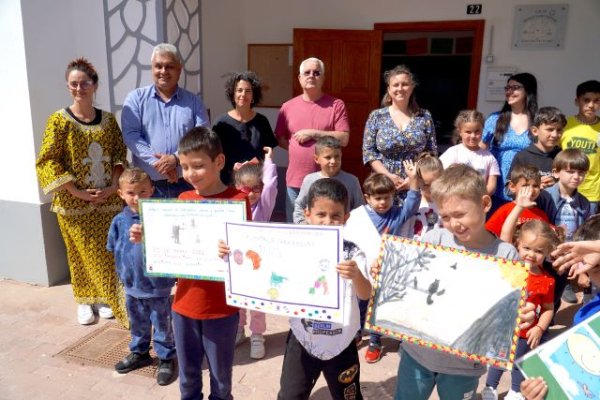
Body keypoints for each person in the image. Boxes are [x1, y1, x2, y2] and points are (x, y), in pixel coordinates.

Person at [131, 127, 251, 400]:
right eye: (184, 167)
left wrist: (234, 250)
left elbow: (249, 255)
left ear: (218, 162)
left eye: (197, 166)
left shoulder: (238, 201)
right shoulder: (184, 199)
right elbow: (172, 246)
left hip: (221, 310)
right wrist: (146, 236)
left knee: (221, 381)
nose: (189, 174)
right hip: (183, 306)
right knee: (188, 378)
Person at [390, 164, 520, 400]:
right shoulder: (434, 238)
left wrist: (519, 313)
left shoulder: (506, 255)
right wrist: (391, 276)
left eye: (460, 214)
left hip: (464, 365)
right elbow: (408, 288)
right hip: (418, 354)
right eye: (446, 217)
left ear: (485, 204)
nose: (453, 223)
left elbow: (506, 316)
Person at [36, 58, 128, 326]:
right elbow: (48, 160)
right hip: (74, 203)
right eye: (74, 84)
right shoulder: (59, 121)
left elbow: (119, 155)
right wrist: (76, 192)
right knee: (79, 251)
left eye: (84, 83)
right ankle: (84, 300)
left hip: (107, 200)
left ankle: (103, 297)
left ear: (95, 85)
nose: (79, 88)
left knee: (105, 250)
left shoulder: (108, 121)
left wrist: (113, 186)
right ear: (68, 86)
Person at [276, 178, 371, 399]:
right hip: (302, 337)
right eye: (321, 215)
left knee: (348, 396)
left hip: (341, 341)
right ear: (307, 213)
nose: (328, 221)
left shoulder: (352, 253)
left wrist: (356, 275)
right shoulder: (291, 247)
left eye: (336, 215)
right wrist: (233, 253)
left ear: (345, 217)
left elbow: (365, 294)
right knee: (290, 395)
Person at [107, 168, 176, 385]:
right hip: (132, 287)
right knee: (137, 322)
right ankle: (140, 353)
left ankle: (166, 357)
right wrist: (123, 275)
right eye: (131, 193)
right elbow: (113, 248)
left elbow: (173, 246)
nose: (137, 198)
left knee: (162, 324)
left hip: (158, 287)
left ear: (152, 190)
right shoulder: (118, 221)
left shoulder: (162, 218)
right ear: (120, 194)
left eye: (143, 192)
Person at [482, 219, 560, 400]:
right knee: (499, 360)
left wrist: (540, 328)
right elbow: (505, 235)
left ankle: (516, 390)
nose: (531, 254)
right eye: (527, 248)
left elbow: (549, 308)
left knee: (520, 362)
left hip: (527, 333)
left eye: (539, 251)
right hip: (503, 328)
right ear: (518, 244)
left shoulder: (548, 281)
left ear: (547, 252)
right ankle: (490, 387)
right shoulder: (510, 267)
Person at [121, 43, 210, 198]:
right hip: (147, 186)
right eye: (158, 66)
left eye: (169, 66)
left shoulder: (194, 102)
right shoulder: (135, 99)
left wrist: (176, 159)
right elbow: (131, 136)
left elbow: (202, 136)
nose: (163, 71)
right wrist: (161, 164)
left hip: (187, 183)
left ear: (179, 69)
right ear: (152, 68)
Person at [353, 163, 421, 364]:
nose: (383, 202)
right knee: (360, 301)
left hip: (388, 270)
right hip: (364, 269)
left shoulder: (397, 214)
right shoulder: (359, 216)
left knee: (378, 305)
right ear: (367, 198)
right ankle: (356, 330)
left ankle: (375, 341)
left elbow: (412, 204)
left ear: (393, 196)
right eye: (378, 198)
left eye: (387, 197)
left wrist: (414, 181)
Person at [275, 57, 350, 222]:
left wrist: (313, 133)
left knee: (327, 228)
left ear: (323, 78)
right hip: (296, 181)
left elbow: (344, 138)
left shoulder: (336, 105)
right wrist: (297, 149)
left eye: (316, 73)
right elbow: (280, 138)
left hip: (328, 181)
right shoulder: (287, 107)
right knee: (296, 230)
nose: (311, 76)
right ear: (299, 78)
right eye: (307, 72)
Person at [363, 65, 437, 205]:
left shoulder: (424, 116)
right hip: (383, 188)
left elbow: (430, 152)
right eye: (395, 85)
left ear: (412, 87)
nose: (400, 88)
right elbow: (369, 152)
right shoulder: (377, 116)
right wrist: (387, 176)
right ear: (389, 90)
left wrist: (414, 178)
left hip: (416, 185)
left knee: (415, 225)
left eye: (404, 84)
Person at [232, 147, 278, 359]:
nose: (251, 194)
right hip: (239, 264)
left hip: (259, 264)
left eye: (256, 188)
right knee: (238, 300)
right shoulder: (233, 205)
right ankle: (239, 330)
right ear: (236, 188)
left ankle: (257, 335)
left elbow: (270, 185)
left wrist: (268, 161)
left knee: (257, 303)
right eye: (245, 189)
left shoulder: (264, 205)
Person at [536, 148, 591, 304]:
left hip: (566, 255)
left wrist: (580, 262)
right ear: (556, 172)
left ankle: (549, 320)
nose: (576, 176)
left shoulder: (584, 202)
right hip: (546, 255)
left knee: (556, 293)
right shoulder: (545, 196)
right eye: (571, 171)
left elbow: (583, 233)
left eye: (581, 173)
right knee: (540, 292)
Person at [482, 73, 538, 214]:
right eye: (507, 88)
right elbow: (480, 149)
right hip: (497, 182)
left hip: (525, 183)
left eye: (515, 88)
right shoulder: (495, 119)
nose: (509, 91)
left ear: (528, 91)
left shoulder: (537, 120)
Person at [213, 71, 278, 185]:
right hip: (228, 184)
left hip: (256, 185)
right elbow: (214, 154)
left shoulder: (262, 121)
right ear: (233, 95)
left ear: (253, 96)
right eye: (239, 90)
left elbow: (268, 152)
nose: (243, 94)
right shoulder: (221, 122)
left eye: (248, 91)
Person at [293, 136, 363, 224]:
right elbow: (300, 204)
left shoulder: (352, 181)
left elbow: (360, 209)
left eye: (337, 157)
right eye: (328, 157)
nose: (333, 161)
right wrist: (303, 224)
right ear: (316, 159)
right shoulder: (309, 180)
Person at [560, 80, 600, 215]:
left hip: (592, 193)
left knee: (588, 234)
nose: (591, 105)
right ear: (577, 101)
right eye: (586, 100)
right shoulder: (565, 125)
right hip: (565, 190)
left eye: (596, 101)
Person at [440, 110, 500, 195]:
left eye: (477, 131)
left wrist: (476, 198)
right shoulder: (452, 153)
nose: (473, 136)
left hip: (477, 203)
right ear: (460, 132)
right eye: (468, 132)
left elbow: (491, 186)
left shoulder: (489, 158)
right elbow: (440, 177)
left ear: (482, 130)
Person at [509, 106, 566, 189]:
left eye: (559, 130)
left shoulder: (563, 156)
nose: (555, 135)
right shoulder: (522, 157)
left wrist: (556, 185)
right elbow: (509, 189)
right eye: (550, 129)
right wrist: (534, 186)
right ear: (535, 131)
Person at [485, 165, 549, 238]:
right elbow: (488, 235)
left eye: (535, 186)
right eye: (525, 185)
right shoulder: (505, 210)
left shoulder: (541, 215)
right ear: (512, 187)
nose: (531, 190)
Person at [399, 152, 444, 240]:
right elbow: (404, 231)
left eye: (436, 183)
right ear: (418, 182)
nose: (432, 188)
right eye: (426, 185)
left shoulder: (447, 202)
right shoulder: (412, 203)